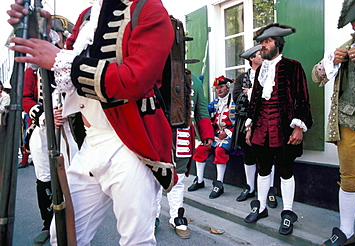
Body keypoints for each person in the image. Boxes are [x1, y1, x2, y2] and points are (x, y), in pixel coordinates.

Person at [7, 0, 175, 245]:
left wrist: (61, 60)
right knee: (63, 234)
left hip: (131, 143)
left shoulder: (149, 8)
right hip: (90, 139)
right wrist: (38, 35)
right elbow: (63, 70)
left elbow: (136, 79)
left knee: (136, 240)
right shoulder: (87, 16)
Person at [243, 23, 312, 236]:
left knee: (285, 169)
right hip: (261, 128)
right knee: (263, 168)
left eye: (267, 41)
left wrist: (299, 127)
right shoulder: (259, 71)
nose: (263, 46)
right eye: (261, 42)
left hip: (283, 128)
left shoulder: (293, 66)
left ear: (278, 44)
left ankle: (288, 212)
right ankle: (261, 207)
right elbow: (254, 102)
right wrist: (249, 127)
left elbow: (302, 97)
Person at [311, 1, 355, 245]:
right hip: (351, 121)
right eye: (352, 22)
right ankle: (347, 233)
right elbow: (317, 76)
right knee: (349, 179)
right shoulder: (347, 46)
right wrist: (332, 62)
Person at [21, 15, 79, 245]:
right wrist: (44, 115)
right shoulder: (31, 71)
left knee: (74, 177)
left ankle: (73, 223)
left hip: (69, 131)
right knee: (44, 176)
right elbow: (26, 98)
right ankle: (48, 224)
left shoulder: (69, 65)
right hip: (43, 130)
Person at [156, 70, 214, 239]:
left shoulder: (194, 80)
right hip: (159, 132)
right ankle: (153, 215)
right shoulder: (157, 73)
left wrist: (206, 134)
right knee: (156, 177)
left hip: (183, 134)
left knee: (179, 178)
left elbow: (200, 108)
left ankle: (176, 216)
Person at [231, 44, 278, 207]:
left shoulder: (271, 73)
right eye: (260, 53)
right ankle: (250, 187)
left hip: (265, 120)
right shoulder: (241, 78)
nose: (263, 55)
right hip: (245, 121)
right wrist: (247, 94)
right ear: (252, 58)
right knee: (248, 154)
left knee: (268, 154)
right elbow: (237, 98)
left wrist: (249, 92)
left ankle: (270, 190)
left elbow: (271, 97)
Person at [188, 75, 235, 199]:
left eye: (222, 87)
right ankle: (199, 180)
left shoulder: (234, 103)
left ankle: (219, 183)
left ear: (228, 88)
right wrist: (199, 92)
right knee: (200, 150)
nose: (219, 90)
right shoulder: (215, 103)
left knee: (220, 151)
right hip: (216, 135)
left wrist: (228, 132)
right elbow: (202, 109)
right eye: (217, 88)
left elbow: (240, 121)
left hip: (231, 135)